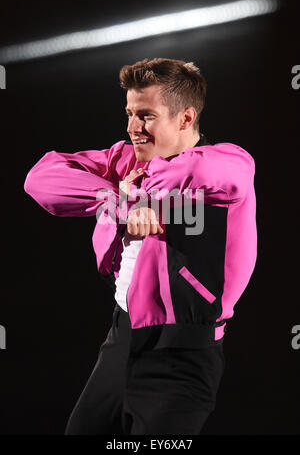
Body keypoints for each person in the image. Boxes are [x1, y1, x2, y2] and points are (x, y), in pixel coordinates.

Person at [24, 57, 257, 435]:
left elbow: (204, 174)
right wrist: (119, 199)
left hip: (182, 354)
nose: (133, 128)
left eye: (146, 115)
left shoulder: (228, 162)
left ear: (185, 118)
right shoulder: (124, 161)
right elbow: (41, 180)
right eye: (130, 114)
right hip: (121, 338)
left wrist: (146, 197)